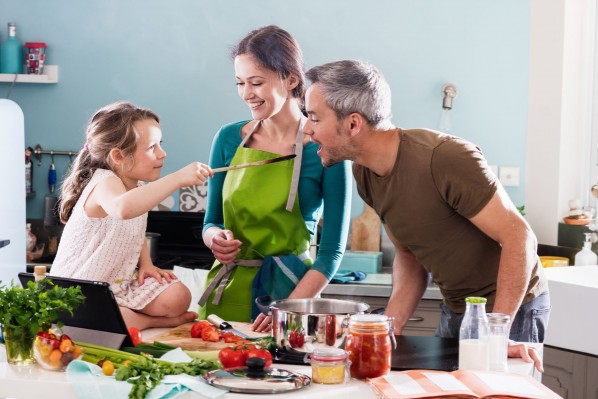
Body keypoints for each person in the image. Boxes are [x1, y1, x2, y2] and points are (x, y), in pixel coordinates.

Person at [303, 59, 549, 371]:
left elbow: (520, 237)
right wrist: (389, 328)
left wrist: (496, 336)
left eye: (313, 117)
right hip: (457, 308)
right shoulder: (364, 173)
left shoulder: (444, 158)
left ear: (353, 124)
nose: (307, 129)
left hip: (512, 310)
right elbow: (409, 255)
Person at [199, 26, 352, 331]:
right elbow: (210, 221)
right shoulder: (228, 139)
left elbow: (331, 251)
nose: (246, 94)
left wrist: (286, 310)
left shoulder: (325, 146)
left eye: (256, 83)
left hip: (292, 297)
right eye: (240, 83)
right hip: (225, 296)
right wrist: (215, 239)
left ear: (291, 79)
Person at [50, 101, 212, 330]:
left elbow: (133, 229)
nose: (162, 154)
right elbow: (123, 209)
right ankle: (147, 321)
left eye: (161, 144)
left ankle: (127, 314)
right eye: (151, 147)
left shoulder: (137, 188)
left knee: (178, 295)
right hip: (80, 291)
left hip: (117, 284)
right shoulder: (104, 182)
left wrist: (146, 263)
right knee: (107, 318)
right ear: (118, 156)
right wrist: (177, 179)